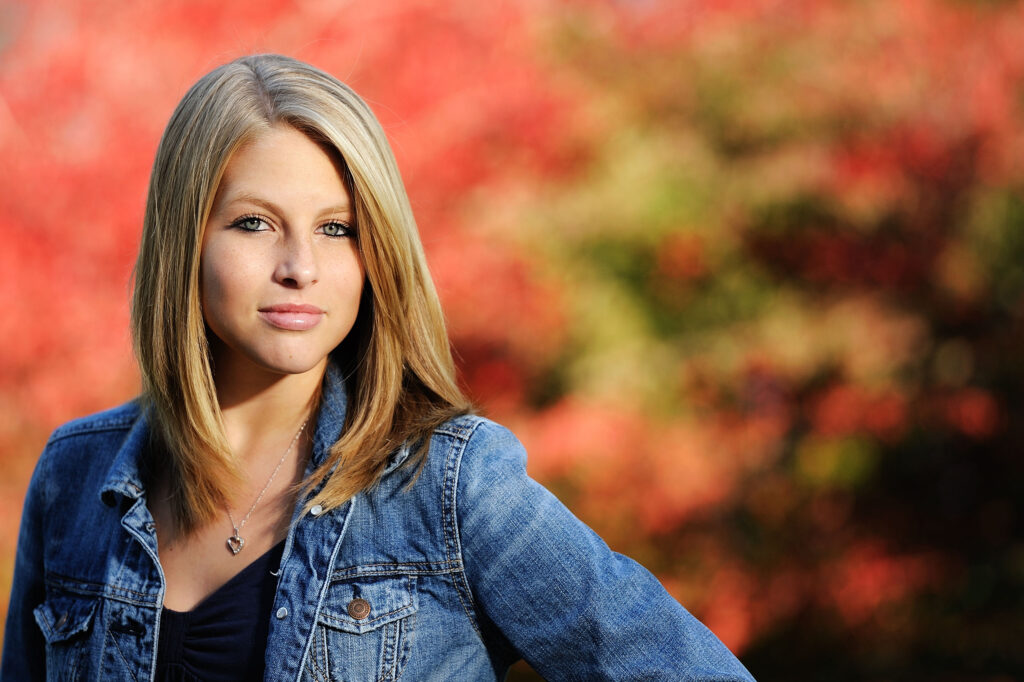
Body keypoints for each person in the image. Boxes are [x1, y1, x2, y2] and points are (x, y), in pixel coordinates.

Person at [0, 54, 755, 681]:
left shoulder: (450, 485)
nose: (300, 266)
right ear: (183, 244)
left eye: (337, 229)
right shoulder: (75, 479)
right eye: (254, 223)